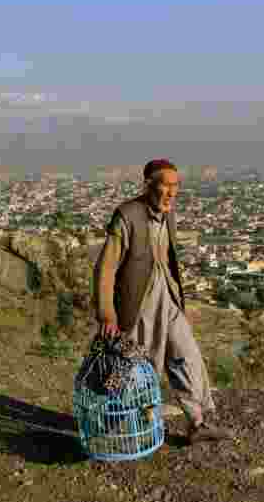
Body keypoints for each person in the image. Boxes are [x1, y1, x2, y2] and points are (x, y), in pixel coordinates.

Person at [92, 159, 234, 444]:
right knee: (135, 370)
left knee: (188, 357)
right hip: (138, 305)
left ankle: (198, 422)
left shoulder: (168, 215)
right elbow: (105, 267)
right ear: (148, 185)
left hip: (168, 299)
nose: (171, 192)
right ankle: (110, 426)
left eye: (175, 186)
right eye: (165, 186)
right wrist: (107, 313)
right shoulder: (127, 216)